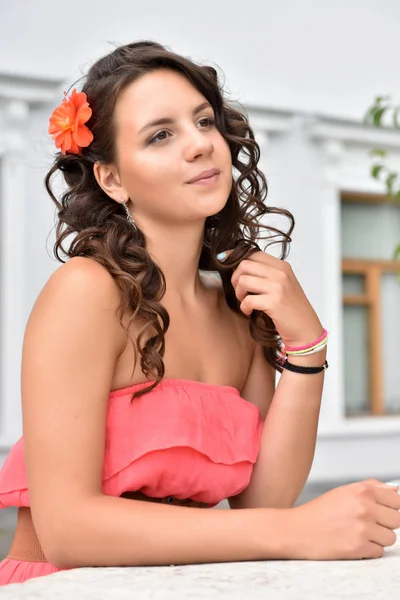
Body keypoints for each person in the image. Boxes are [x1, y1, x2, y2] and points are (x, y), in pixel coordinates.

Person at [0, 40, 399, 586]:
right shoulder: (85, 292)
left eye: (204, 121)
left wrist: (306, 344)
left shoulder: (238, 308)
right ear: (111, 179)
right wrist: (297, 531)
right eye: (160, 134)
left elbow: (264, 499)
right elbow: (68, 529)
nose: (199, 145)